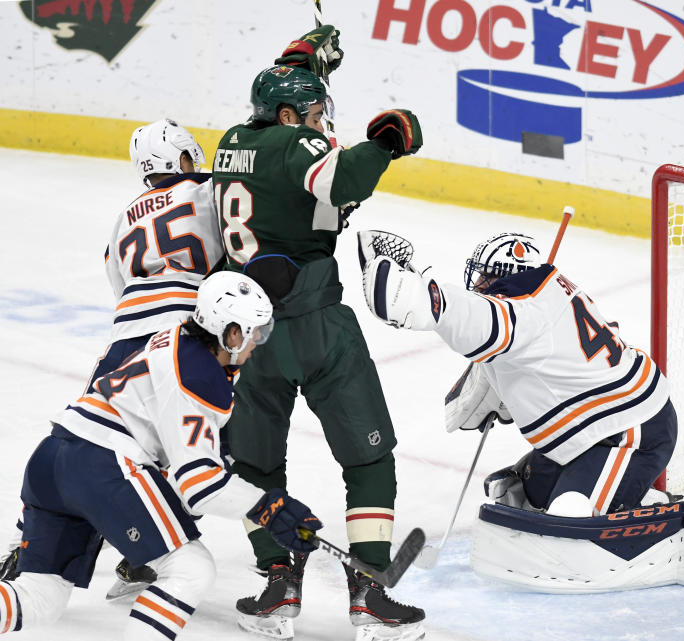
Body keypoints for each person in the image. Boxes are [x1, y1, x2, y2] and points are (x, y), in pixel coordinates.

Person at [357, 229, 684, 592]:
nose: (477, 286)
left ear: (504, 275)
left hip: (628, 432)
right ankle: (630, 498)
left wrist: (405, 277)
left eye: (483, 278)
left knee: (568, 518)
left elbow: (438, 309)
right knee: (524, 495)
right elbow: (501, 375)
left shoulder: (521, 311)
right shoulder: (542, 298)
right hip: (589, 432)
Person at [211, 27, 426, 641]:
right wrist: (386, 141)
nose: (319, 119)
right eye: (310, 110)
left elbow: (289, 148)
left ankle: (279, 583)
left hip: (245, 331)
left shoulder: (235, 140)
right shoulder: (293, 142)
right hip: (312, 321)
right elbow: (342, 179)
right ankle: (370, 596)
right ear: (286, 115)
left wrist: (299, 65)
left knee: (251, 463)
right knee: (369, 456)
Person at [0, 272, 322, 640]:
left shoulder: (176, 336)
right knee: (191, 567)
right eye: (255, 333)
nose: (257, 344)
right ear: (232, 333)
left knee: (40, 597)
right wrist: (271, 507)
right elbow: (199, 487)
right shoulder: (200, 377)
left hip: (55, 455)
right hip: (101, 463)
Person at [0, 119, 223, 598]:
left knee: (88, 430)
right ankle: (148, 553)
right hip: (181, 329)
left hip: (124, 333)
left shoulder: (126, 214)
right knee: (187, 441)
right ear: (184, 158)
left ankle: (27, 541)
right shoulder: (207, 190)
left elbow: (116, 278)